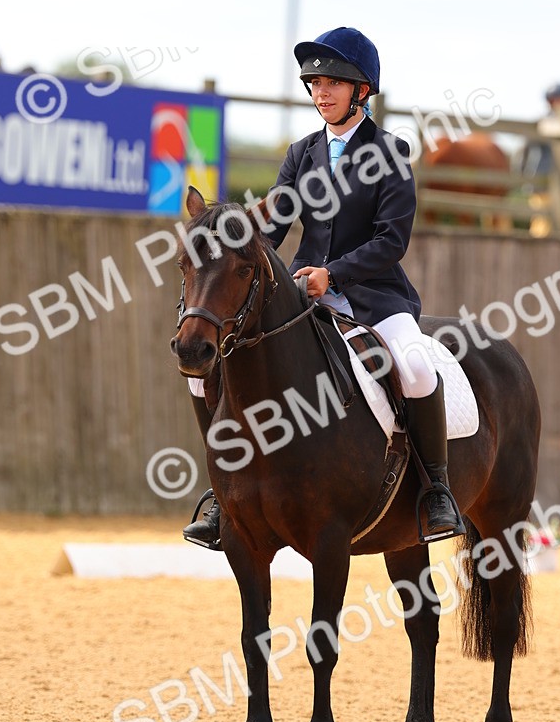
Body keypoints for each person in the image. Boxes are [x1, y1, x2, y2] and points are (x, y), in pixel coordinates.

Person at [183, 27, 464, 549]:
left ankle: (435, 490)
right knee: (209, 375)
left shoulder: (391, 152)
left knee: (418, 368)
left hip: (375, 297)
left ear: (361, 91)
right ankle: (223, 494)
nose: (321, 92)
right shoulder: (302, 153)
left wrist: (333, 274)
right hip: (300, 296)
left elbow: (391, 240)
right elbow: (273, 227)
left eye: (333, 82)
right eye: (314, 82)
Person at [520, 83, 560, 237]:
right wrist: (523, 174)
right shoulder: (546, 122)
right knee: (541, 222)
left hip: (558, 180)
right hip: (542, 179)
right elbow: (527, 147)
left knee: (553, 222)